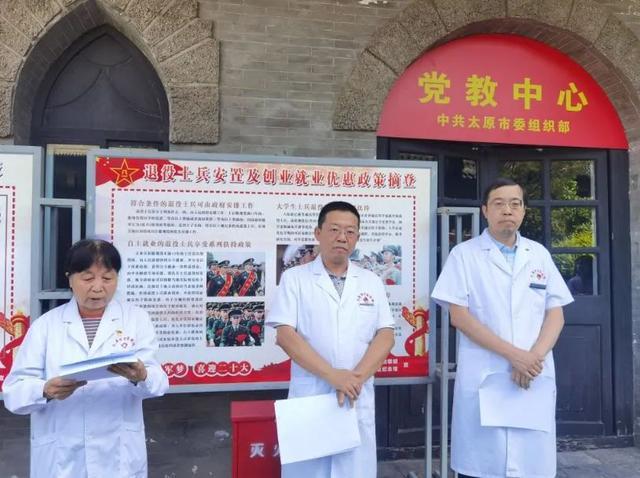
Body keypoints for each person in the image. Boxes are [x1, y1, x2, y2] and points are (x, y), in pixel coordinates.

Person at [431, 178, 573, 478]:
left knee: (531, 465)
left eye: (515, 203)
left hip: (532, 374)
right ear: (485, 210)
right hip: (488, 374)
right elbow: (459, 317)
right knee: (483, 465)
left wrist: (533, 357)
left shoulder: (539, 254)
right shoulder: (464, 255)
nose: (507, 210)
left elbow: (555, 314)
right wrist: (515, 356)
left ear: (523, 211)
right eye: (498, 203)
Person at [3, 239, 169, 478]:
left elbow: (159, 383)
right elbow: (13, 393)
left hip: (117, 456)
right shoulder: (46, 326)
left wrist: (142, 376)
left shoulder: (136, 319)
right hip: (62, 458)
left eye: (108, 278)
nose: (98, 288)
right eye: (88, 278)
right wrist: (44, 390)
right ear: (70, 278)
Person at [267, 201, 395, 477]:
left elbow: (385, 335)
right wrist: (333, 376)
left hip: (355, 395)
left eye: (350, 232)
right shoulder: (295, 279)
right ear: (318, 233)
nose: (342, 238)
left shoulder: (370, 281)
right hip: (313, 394)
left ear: (357, 238)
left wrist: (354, 379)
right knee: (309, 470)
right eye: (334, 229)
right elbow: (285, 336)